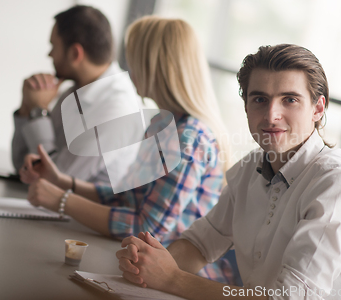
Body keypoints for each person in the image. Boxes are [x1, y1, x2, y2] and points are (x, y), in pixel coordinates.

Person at [116, 44, 341, 299]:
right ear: (246, 107)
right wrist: (147, 266)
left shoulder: (337, 183)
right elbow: (200, 243)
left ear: (318, 109)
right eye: (260, 100)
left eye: (290, 100)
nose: (272, 115)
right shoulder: (251, 166)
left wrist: (172, 278)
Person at [19, 16, 236, 284]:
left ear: (153, 66)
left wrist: (62, 200)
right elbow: (130, 198)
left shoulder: (189, 138)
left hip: (181, 279)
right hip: (141, 269)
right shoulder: (161, 124)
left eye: (133, 59)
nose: (127, 70)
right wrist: (64, 182)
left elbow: (147, 229)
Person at [11, 5, 137, 182]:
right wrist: (27, 108)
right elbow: (21, 165)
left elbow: (56, 179)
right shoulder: (75, 91)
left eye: (53, 46)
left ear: (75, 53)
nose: (50, 54)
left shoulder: (117, 109)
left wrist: (38, 111)